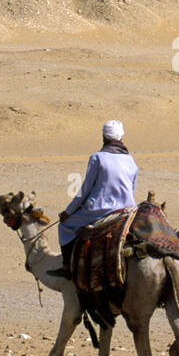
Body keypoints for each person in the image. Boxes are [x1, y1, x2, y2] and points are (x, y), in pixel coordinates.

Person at [51, 120, 138, 279]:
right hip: (127, 209)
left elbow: (85, 189)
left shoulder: (97, 157)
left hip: (100, 210)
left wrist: (68, 212)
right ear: (121, 137)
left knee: (64, 226)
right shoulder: (131, 160)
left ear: (104, 136)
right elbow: (132, 189)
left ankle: (67, 267)